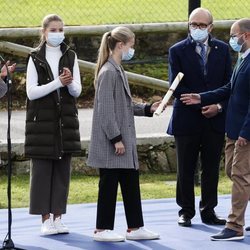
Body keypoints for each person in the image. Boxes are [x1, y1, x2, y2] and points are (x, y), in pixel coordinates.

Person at [87, 26, 160, 242]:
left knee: (130, 181)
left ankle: (135, 227)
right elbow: (106, 110)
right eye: (131, 45)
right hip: (113, 141)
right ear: (121, 45)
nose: (132, 49)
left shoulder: (118, 70)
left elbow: (125, 105)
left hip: (122, 140)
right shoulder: (108, 72)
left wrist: (148, 109)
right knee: (109, 184)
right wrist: (116, 139)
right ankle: (102, 229)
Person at [180, 18, 250, 241]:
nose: (231, 39)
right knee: (233, 172)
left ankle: (235, 225)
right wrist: (201, 97)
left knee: (240, 176)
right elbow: (229, 88)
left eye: (233, 34)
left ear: (246, 36)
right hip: (233, 128)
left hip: (244, 132)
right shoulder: (242, 58)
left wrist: (245, 133)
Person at [167, 7, 232, 227]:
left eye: (202, 25)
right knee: (186, 168)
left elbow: (229, 85)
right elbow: (176, 86)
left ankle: (209, 210)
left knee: (211, 168)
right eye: (193, 24)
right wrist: (200, 105)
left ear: (211, 27)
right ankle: (186, 211)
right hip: (187, 117)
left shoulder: (222, 50)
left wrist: (218, 106)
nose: (197, 28)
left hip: (214, 119)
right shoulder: (177, 50)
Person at [25, 14, 82, 235]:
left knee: (62, 172)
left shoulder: (70, 55)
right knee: (42, 173)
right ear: (44, 32)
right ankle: (45, 219)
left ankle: (58, 217)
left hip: (64, 122)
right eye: (54, 30)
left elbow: (77, 90)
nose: (58, 33)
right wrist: (57, 82)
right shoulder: (34, 58)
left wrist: (68, 83)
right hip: (42, 122)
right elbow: (32, 92)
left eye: (61, 30)